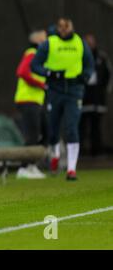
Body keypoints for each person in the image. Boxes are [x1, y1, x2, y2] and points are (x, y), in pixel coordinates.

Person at [31, 18, 94, 181]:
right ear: (58, 29)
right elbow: (35, 65)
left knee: (71, 127)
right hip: (55, 89)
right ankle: (56, 154)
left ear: (71, 27)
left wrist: (84, 77)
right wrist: (50, 73)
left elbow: (89, 63)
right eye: (62, 28)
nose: (64, 30)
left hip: (74, 90)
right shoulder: (50, 43)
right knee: (53, 129)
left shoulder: (79, 43)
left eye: (67, 27)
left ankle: (71, 169)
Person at [14, 30, 48, 179]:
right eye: (45, 37)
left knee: (46, 133)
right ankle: (24, 168)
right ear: (38, 39)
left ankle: (32, 165)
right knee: (32, 135)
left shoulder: (39, 55)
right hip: (28, 99)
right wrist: (40, 84)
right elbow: (22, 71)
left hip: (36, 101)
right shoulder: (32, 52)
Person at [80, 34, 112, 156]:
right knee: (81, 127)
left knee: (96, 127)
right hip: (82, 98)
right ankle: (81, 151)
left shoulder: (101, 57)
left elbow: (109, 75)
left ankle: (96, 150)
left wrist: (103, 90)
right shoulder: (79, 57)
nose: (90, 44)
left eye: (91, 42)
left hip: (98, 99)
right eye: (87, 42)